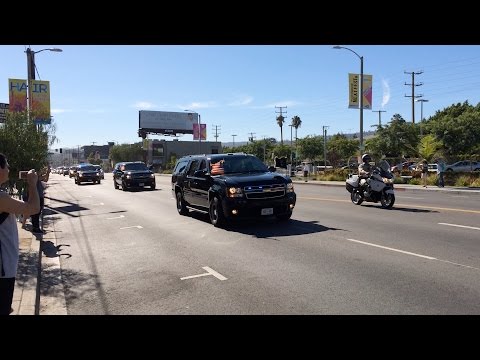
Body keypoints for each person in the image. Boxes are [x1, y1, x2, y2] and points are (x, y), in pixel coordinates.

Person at [0, 153, 40, 315]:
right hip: (3, 268)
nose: (9, 169)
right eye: (6, 165)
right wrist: (32, 184)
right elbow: (33, 208)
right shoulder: (1, 198)